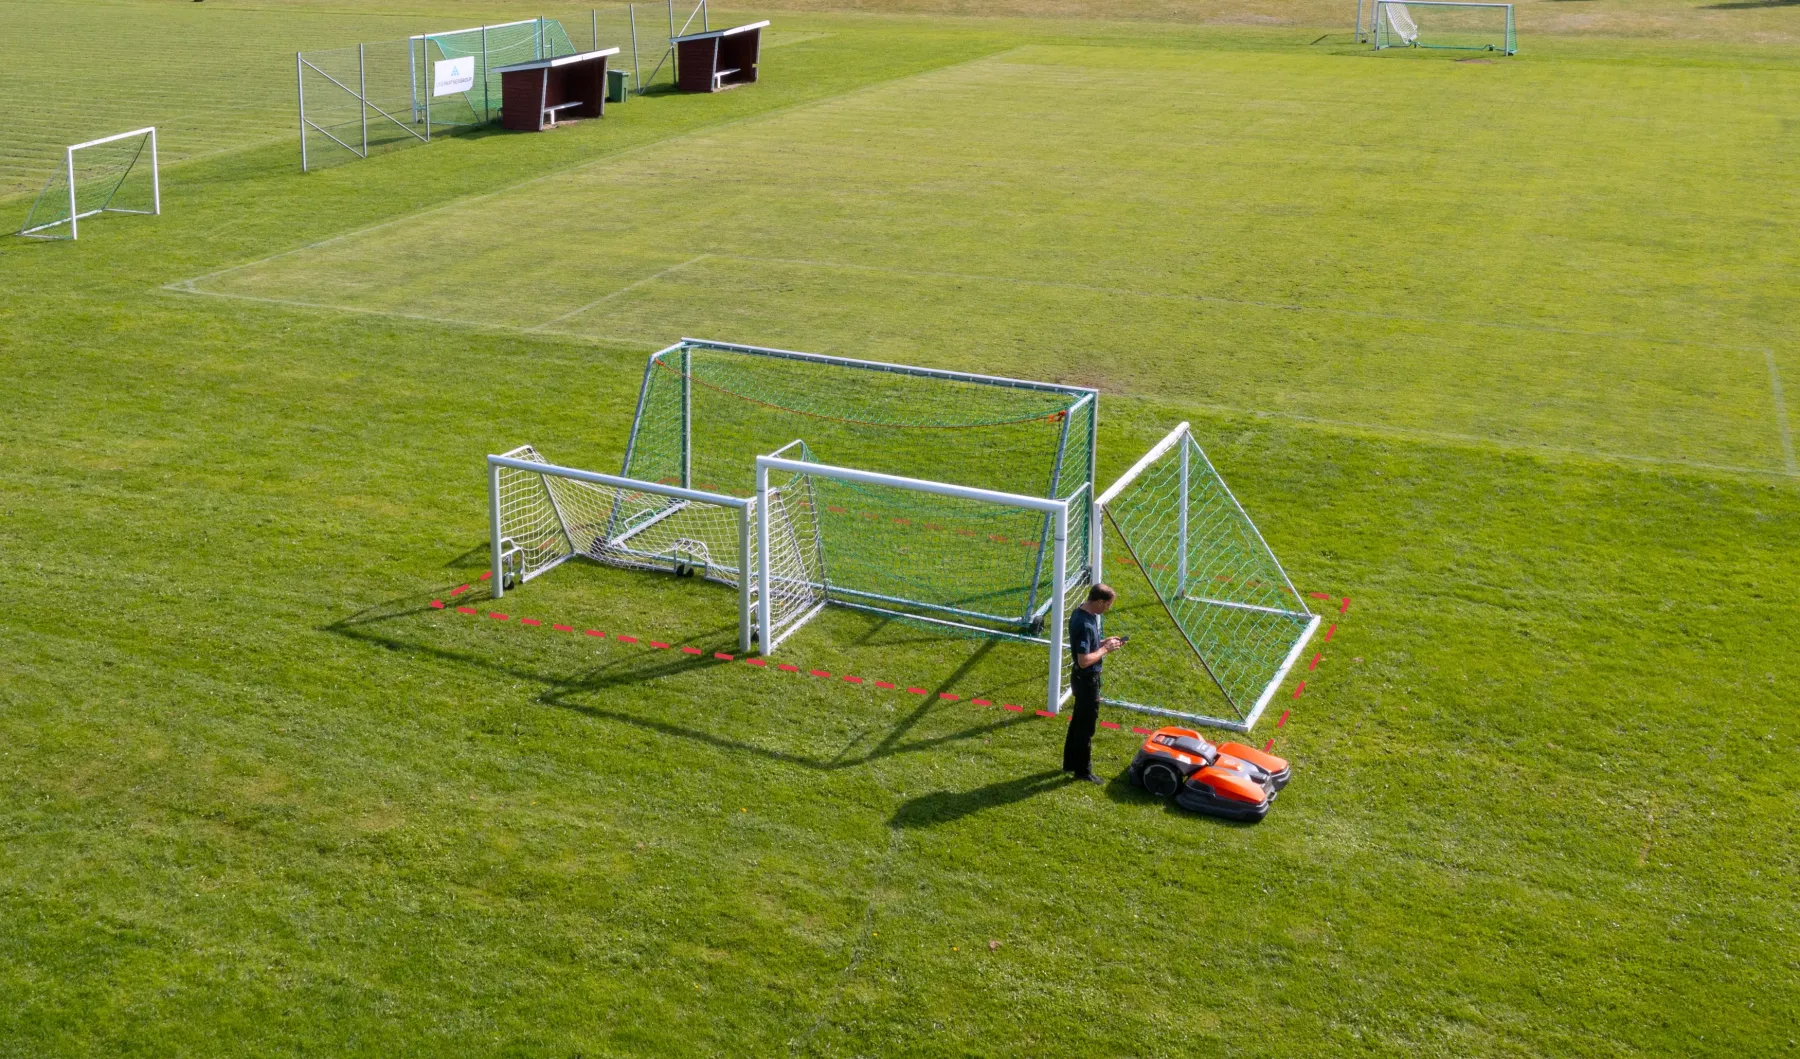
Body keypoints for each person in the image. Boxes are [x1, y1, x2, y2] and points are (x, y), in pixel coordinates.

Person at [1064, 583, 1123, 783]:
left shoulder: (1080, 613)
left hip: (1081, 680)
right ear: (1099, 602)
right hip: (1087, 681)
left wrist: (1104, 642)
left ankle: (1070, 763)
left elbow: (1088, 646)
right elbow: (1083, 660)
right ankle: (1083, 771)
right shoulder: (1085, 624)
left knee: (1077, 722)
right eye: (1107, 605)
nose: (1107, 609)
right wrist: (1106, 650)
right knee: (1085, 727)